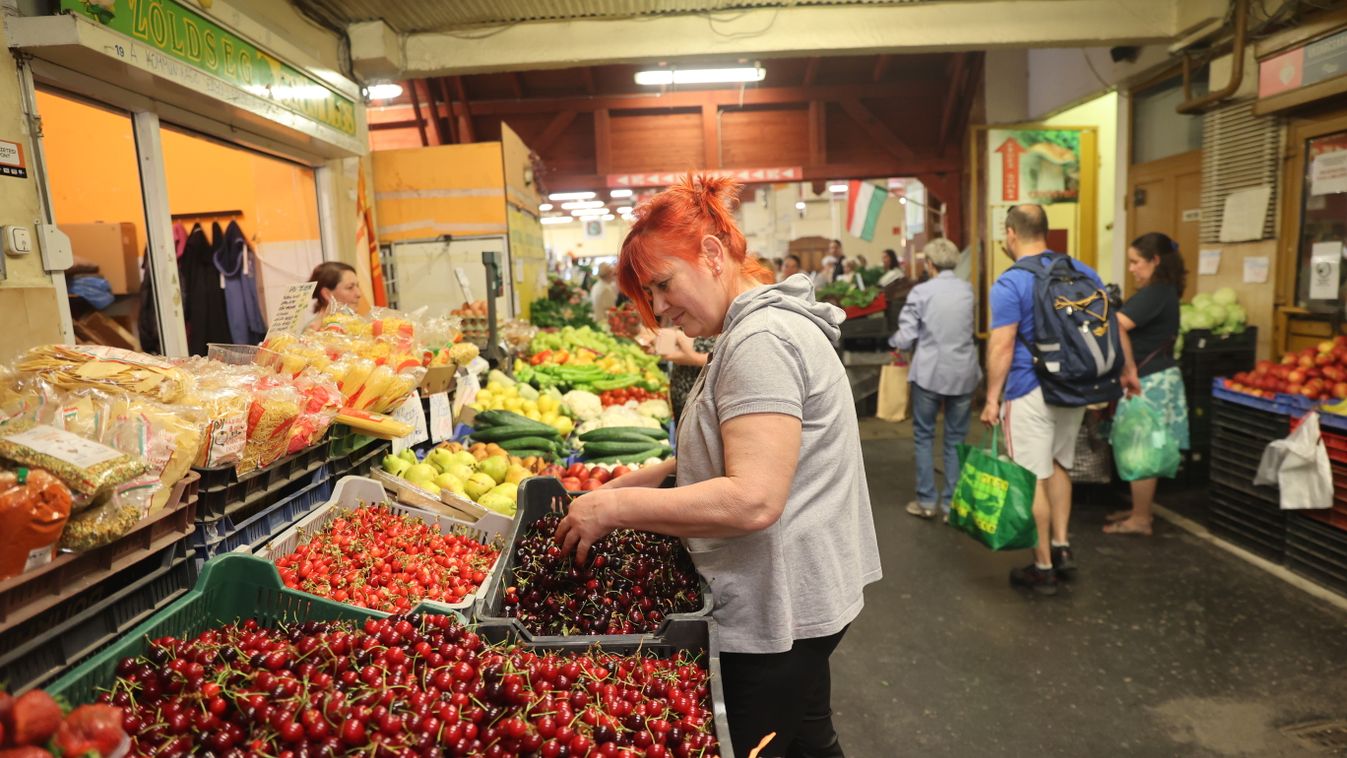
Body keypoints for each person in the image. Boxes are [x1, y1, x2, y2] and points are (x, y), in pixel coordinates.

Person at [555, 174, 881, 757]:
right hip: (801, 594)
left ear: (710, 254)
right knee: (808, 735)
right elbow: (731, 449)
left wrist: (615, 504)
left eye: (662, 285)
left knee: (764, 741)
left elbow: (753, 497)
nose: (658, 309)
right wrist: (637, 480)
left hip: (779, 603)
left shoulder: (761, 341)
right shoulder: (750, 330)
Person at [980, 204, 1138, 596]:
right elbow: (1112, 324)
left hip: (1028, 387)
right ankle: (1062, 547)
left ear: (1011, 233)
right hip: (1075, 386)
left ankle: (1043, 566)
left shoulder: (1010, 282)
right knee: (1059, 463)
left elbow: (1001, 345)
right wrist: (1128, 370)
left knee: (1033, 474)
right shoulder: (1083, 271)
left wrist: (991, 399)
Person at [1104, 232, 1190, 536]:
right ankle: (1140, 510)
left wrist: (1126, 368)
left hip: (1148, 379)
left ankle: (1141, 519)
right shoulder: (1163, 291)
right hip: (1153, 376)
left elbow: (1118, 325)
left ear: (1155, 261)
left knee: (1142, 448)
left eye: (1135, 262)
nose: (1131, 269)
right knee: (1140, 443)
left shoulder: (1156, 292)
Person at [890, 238, 981, 522]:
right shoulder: (968, 291)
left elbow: (906, 336)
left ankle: (927, 501)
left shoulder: (921, 293)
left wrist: (893, 342)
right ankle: (951, 504)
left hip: (929, 373)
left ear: (929, 264)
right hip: (963, 373)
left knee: (924, 436)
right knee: (955, 438)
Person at [662, 330, 715, 421]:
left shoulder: (729, 330)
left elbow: (726, 360)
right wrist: (667, 339)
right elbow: (667, 349)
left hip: (701, 405)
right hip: (679, 397)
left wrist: (693, 358)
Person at [305, 261, 362, 329]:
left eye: (357, 286)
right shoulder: (314, 332)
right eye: (350, 287)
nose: (359, 294)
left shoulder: (357, 325)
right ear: (327, 294)